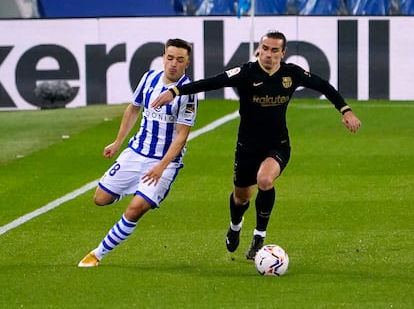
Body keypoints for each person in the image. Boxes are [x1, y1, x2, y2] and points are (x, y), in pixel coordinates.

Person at [151, 31, 362, 260]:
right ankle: (235, 225)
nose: (268, 54)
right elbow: (212, 82)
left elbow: (323, 86)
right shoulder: (246, 72)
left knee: (265, 180)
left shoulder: (292, 74)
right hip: (247, 147)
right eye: (265, 48)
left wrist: (345, 110)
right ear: (258, 49)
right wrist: (176, 90)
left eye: (274, 50)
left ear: (283, 53)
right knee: (241, 197)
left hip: (278, 144)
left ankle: (259, 236)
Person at [78, 38, 197, 267]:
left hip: (164, 163)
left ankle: (97, 254)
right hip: (136, 152)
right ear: (164, 58)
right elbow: (133, 109)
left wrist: (161, 167)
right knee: (100, 199)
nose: (173, 64)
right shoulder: (149, 78)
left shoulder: (188, 93)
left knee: (135, 209)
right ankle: (134, 188)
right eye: (170, 58)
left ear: (187, 63)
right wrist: (117, 142)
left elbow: (182, 135)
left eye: (179, 60)